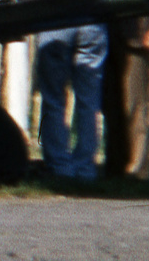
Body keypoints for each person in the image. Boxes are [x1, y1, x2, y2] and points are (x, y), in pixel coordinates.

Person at [33, 23, 108, 180]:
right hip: (92, 22)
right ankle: (85, 168)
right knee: (89, 102)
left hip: (57, 21)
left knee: (53, 98)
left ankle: (59, 166)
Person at [103, 14, 149, 180]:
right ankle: (116, 167)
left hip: (137, 37)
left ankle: (138, 169)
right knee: (112, 105)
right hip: (108, 35)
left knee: (135, 105)